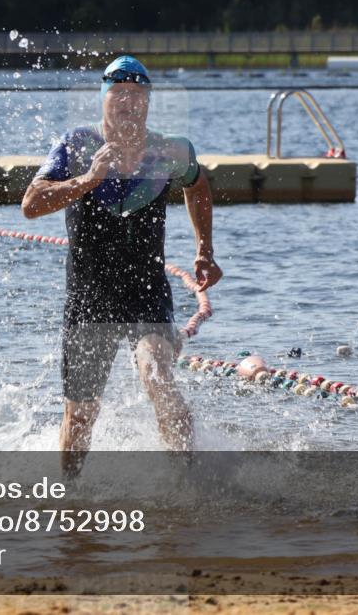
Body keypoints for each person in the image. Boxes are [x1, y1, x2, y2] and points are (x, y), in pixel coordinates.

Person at [21, 55, 222, 475]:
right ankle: (69, 497)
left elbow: (199, 184)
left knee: (159, 379)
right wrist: (89, 179)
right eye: (119, 94)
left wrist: (205, 248)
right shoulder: (75, 145)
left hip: (146, 291)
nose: (128, 102)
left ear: (148, 103)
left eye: (137, 95)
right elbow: (31, 204)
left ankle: (188, 487)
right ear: (103, 99)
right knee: (80, 415)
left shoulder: (170, 151)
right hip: (89, 296)